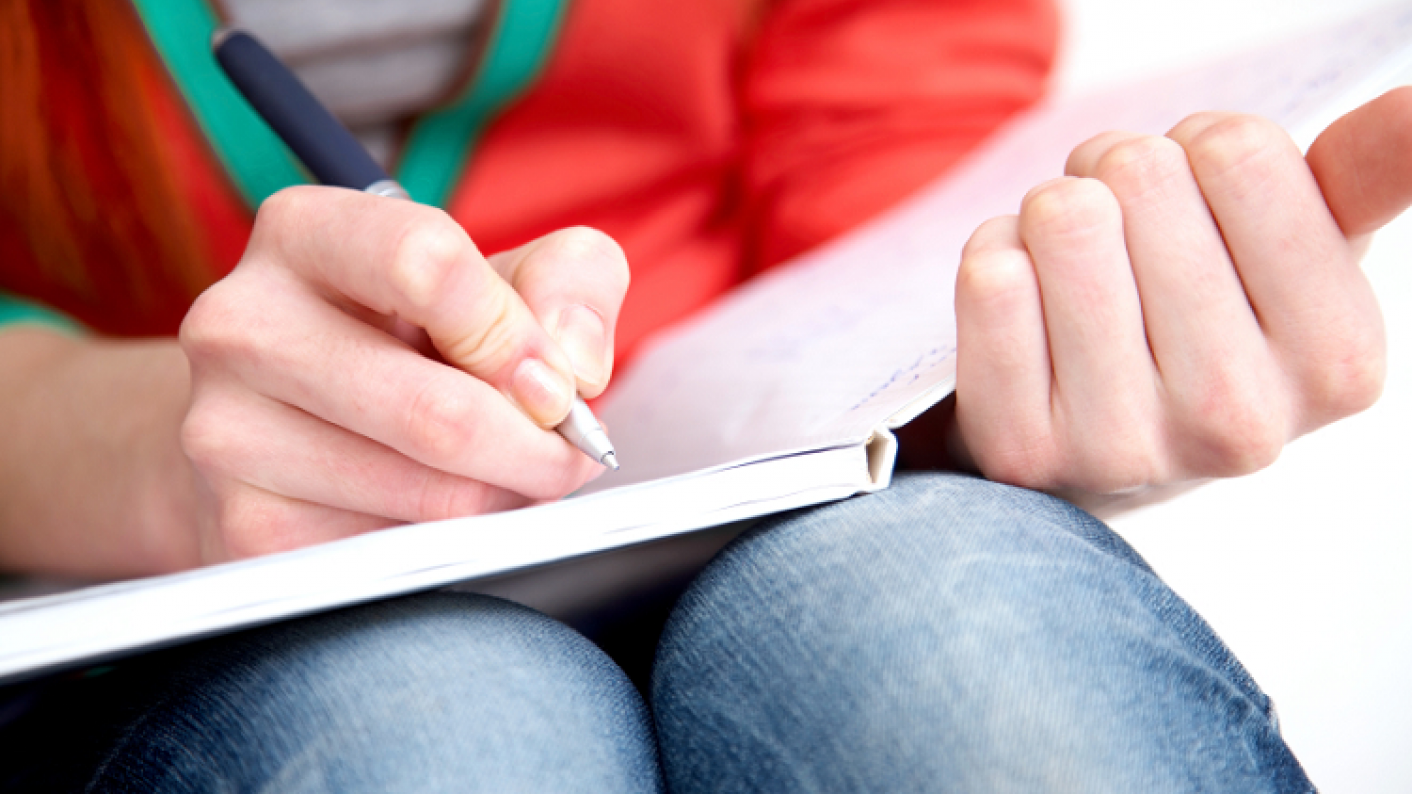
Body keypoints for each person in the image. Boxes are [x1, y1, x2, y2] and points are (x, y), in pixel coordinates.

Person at [0, 0, 1404, 789]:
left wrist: (1055, 358)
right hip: (134, 589)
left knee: (969, 642)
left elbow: (903, 202)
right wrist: (164, 451)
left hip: (761, 502)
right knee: (437, 739)